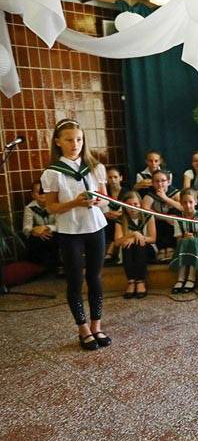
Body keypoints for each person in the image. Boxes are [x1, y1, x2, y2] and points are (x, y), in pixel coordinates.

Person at [40, 119, 111, 351]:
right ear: (58, 142)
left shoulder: (95, 167)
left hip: (95, 227)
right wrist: (75, 202)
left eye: (79, 139)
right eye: (69, 140)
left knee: (95, 277)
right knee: (75, 280)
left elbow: (106, 199)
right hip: (70, 231)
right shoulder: (53, 173)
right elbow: (51, 207)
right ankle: (83, 329)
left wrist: (98, 201)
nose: (75, 144)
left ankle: (96, 325)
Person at [170, 188, 198, 294]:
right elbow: (178, 240)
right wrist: (186, 238)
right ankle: (181, 277)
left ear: (196, 202)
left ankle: (191, 277)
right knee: (185, 242)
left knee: (193, 242)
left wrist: (195, 240)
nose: (188, 205)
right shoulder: (178, 219)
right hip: (184, 246)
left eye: (190, 202)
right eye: (185, 202)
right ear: (181, 203)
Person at [115, 191, 155, 299]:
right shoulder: (120, 219)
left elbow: (152, 239)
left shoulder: (148, 216)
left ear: (140, 204)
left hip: (147, 249)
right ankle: (131, 281)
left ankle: (140, 281)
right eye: (129, 205)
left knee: (138, 243)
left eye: (136, 204)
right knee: (126, 244)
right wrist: (132, 234)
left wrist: (137, 238)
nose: (133, 207)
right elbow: (117, 242)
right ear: (124, 206)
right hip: (128, 252)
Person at [141, 169, 181, 262]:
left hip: (173, 223)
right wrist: (165, 218)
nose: (160, 184)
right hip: (159, 224)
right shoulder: (149, 195)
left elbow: (183, 207)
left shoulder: (175, 193)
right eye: (157, 181)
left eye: (163, 181)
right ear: (152, 183)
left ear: (168, 182)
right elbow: (145, 210)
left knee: (175, 216)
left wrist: (166, 198)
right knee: (156, 221)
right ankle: (162, 249)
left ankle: (171, 248)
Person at [21, 182, 59, 271]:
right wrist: (34, 231)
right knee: (36, 240)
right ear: (33, 195)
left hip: (54, 233)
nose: (42, 195)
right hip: (39, 237)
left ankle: (57, 265)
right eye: (38, 192)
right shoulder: (29, 208)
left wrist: (47, 227)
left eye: (44, 192)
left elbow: (61, 225)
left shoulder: (55, 205)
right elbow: (26, 228)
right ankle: (41, 267)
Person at [102, 166, 125, 263]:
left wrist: (120, 214)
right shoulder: (104, 192)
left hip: (122, 219)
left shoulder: (127, 192)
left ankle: (112, 247)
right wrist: (104, 214)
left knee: (117, 222)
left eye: (115, 177)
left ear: (121, 178)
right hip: (106, 218)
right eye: (110, 177)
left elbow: (132, 208)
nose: (113, 180)